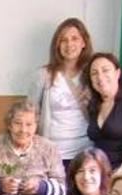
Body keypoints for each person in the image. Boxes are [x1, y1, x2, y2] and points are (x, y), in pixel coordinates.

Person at [28, 18, 94, 168]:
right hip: (51, 153)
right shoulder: (43, 75)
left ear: (84, 43)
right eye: (63, 40)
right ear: (57, 45)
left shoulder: (93, 73)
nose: (69, 44)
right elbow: (30, 113)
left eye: (74, 38)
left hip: (86, 152)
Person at [0, 100, 67, 195]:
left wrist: (40, 187)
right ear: (9, 125)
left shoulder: (49, 149)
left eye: (29, 124)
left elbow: (63, 188)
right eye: (18, 123)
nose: (23, 130)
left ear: (36, 126)